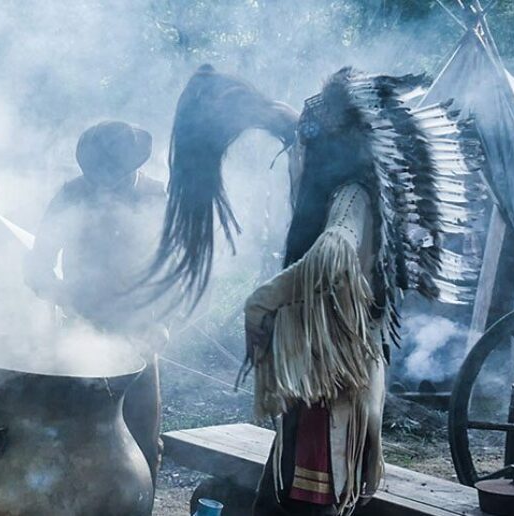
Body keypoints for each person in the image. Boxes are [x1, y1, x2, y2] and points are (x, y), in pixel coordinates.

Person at [150, 67, 481, 515]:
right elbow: (291, 126)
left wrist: (262, 300)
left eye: (306, 138)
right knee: (280, 498)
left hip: (330, 383)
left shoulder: (352, 195)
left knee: (309, 502)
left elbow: (333, 255)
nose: (297, 147)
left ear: (331, 145)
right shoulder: (335, 177)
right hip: (315, 375)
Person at [24, 120, 168, 483]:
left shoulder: (155, 196)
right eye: (94, 172)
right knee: (75, 433)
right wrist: (62, 295)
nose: (101, 182)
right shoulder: (70, 195)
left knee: (141, 439)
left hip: (138, 331)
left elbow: (173, 267)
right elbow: (38, 265)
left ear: (131, 166)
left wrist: (162, 319)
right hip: (80, 331)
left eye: (110, 172)